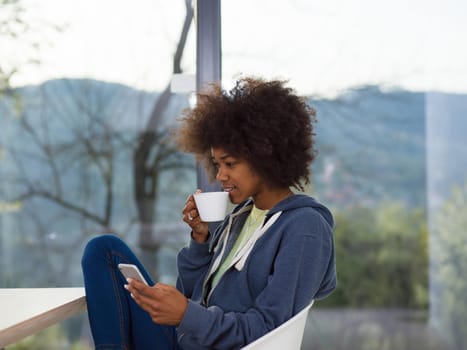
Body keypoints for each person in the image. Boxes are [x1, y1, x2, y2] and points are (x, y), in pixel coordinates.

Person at [81, 76, 336, 350]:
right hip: (185, 341)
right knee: (103, 250)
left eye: (229, 164)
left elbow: (267, 330)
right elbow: (190, 295)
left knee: (105, 250)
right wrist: (200, 241)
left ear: (266, 157)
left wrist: (185, 315)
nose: (220, 175)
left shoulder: (305, 227)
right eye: (216, 164)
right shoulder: (240, 218)